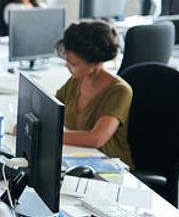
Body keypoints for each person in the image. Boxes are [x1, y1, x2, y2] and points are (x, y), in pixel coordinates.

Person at [54, 20, 134, 167]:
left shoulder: (120, 91)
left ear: (95, 63)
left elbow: (96, 138)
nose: (67, 65)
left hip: (108, 167)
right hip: (78, 158)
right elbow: (51, 109)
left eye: (74, 63)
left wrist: (48, 135)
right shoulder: (77, 80)